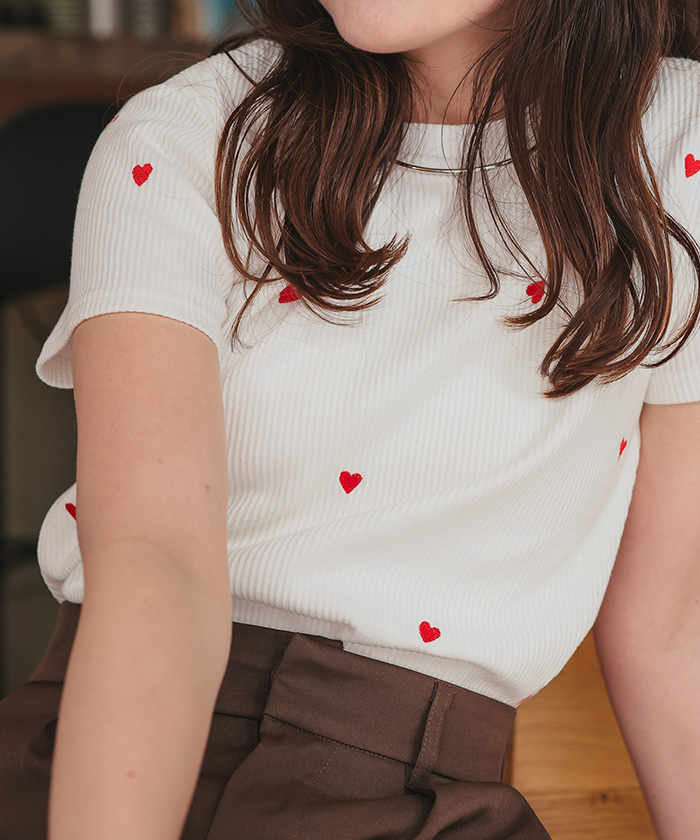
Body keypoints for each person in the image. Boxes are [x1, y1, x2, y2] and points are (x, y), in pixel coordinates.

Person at [1, 0, 700, 837]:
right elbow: (156, 561)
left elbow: (670, 622)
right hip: (101, 747)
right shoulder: (185, 131)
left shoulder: (676, 139)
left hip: (421, 790)